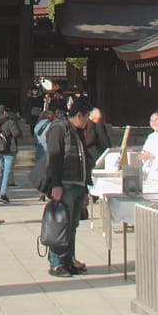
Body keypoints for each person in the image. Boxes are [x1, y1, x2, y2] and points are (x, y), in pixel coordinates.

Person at [42, 107, 94, 277]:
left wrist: (86, 188)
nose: (88, 122)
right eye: (87, 117)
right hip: (65, 184)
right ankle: (57, 263)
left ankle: (69, 259)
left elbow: (83, 159)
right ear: (79, 114)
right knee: (61, 225)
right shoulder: (59, 128)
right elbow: (54, 157)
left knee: (72, 225)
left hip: (78, 184)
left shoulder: (77, 131)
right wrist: (56, 185)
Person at [0, 105, 20, 205]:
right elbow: (16, 133)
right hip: (9, 148)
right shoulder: (10, 121)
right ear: (4, 112)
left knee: (3, 171)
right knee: (6, 172)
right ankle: (2, 193)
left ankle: (1, 191)